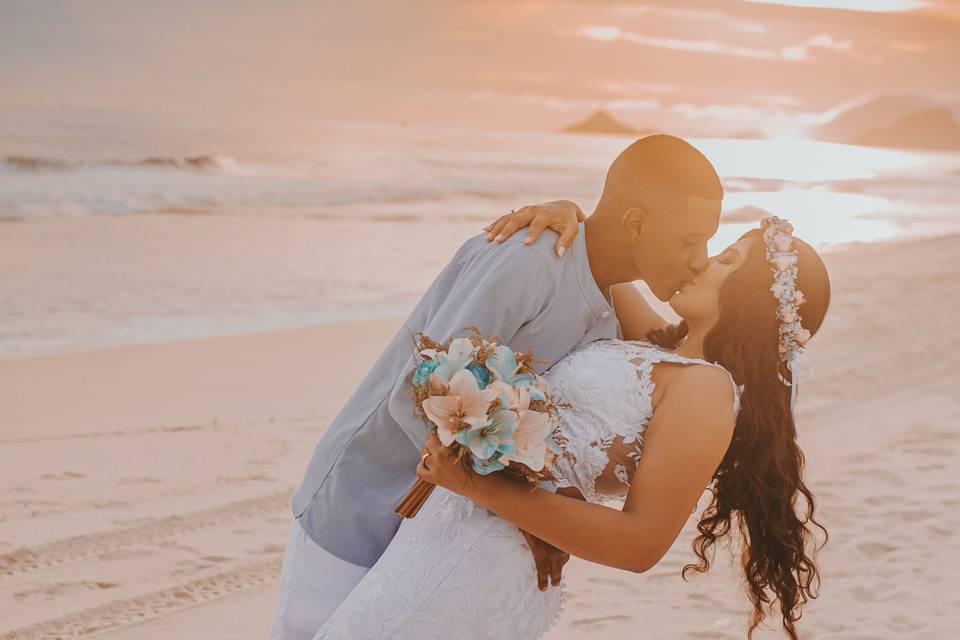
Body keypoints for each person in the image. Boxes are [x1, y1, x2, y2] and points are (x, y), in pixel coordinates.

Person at [270, 134, 724, 639]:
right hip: (362, 504)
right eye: (688, 241)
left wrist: (537, 507)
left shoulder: (611, 313)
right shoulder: (529, 259)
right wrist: (534, 506)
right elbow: (421, 394)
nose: (700, 259)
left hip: (440, 539)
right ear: (636, 223)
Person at [313, 215, 831, 640]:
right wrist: (564, 209)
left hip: (487, 556)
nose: (702, 261)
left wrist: (474, 483)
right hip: (443, 531)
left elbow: (638, 544)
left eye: (725, 261)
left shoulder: (709, 390)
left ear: (753, 299)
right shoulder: (657, 344)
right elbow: (608, 241)